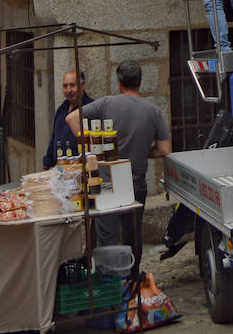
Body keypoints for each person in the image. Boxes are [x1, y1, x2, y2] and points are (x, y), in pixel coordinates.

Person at [67, 60, 172, 271]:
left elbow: (71, 119)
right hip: (136, 184)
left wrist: (91, 146)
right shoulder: (153, 111)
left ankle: (110, 286)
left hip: (106, 184)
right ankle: (132, 283)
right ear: (139, 82)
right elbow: (164, 150)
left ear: (119, 81)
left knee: (106, 239)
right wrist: (143, 152)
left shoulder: (106, 104)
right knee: (133, 238)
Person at [42, 69, 93, 169]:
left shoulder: (90, 109)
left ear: (82, 85)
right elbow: (54, 139)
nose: (69, 90)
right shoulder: (61, 110)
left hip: (81, 170)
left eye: (72, 85)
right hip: (61, 170)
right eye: (65, 86)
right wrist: (46, 165)